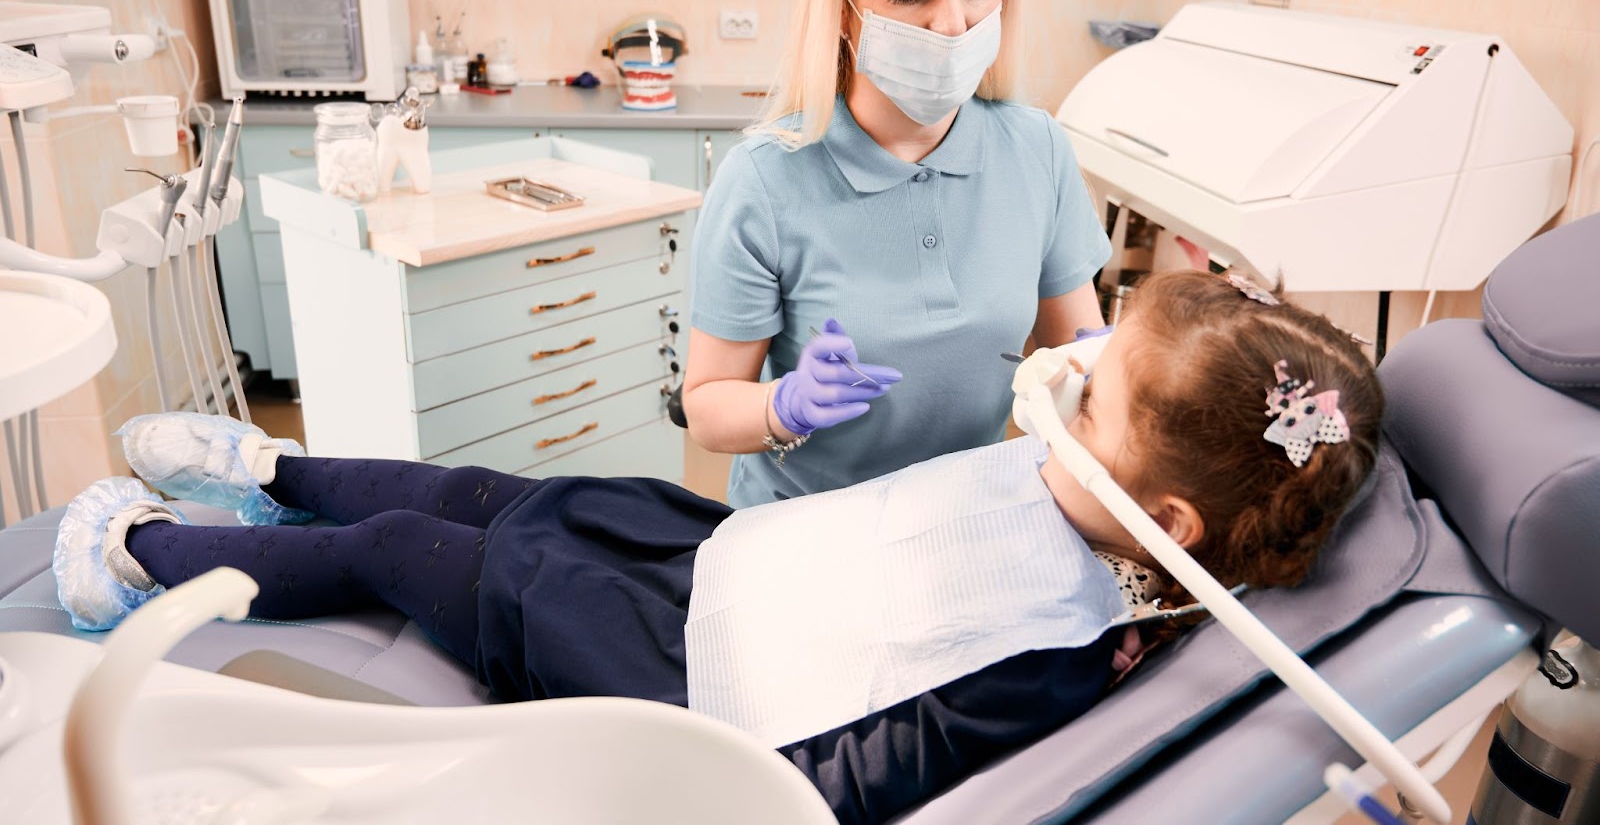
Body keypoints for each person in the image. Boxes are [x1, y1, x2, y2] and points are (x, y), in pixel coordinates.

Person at [55, 271, 1381, 825]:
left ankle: (143, 553)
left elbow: (864, 769)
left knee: (409, 545)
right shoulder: (1107, 496)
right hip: (713, 566)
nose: (1062, 381)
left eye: (1090, 394)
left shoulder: (1055, 644)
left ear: (1172, 526)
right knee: (476, 487)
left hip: (678, 673)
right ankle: (273, 468)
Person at [684, 0, 1111, 507]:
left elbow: (1080, 359)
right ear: (844, 4)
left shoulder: (1038, 151)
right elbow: (705, 405)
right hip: (804, 528)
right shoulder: (765, 180)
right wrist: (782, 406)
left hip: (964, 517)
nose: (951, 24)